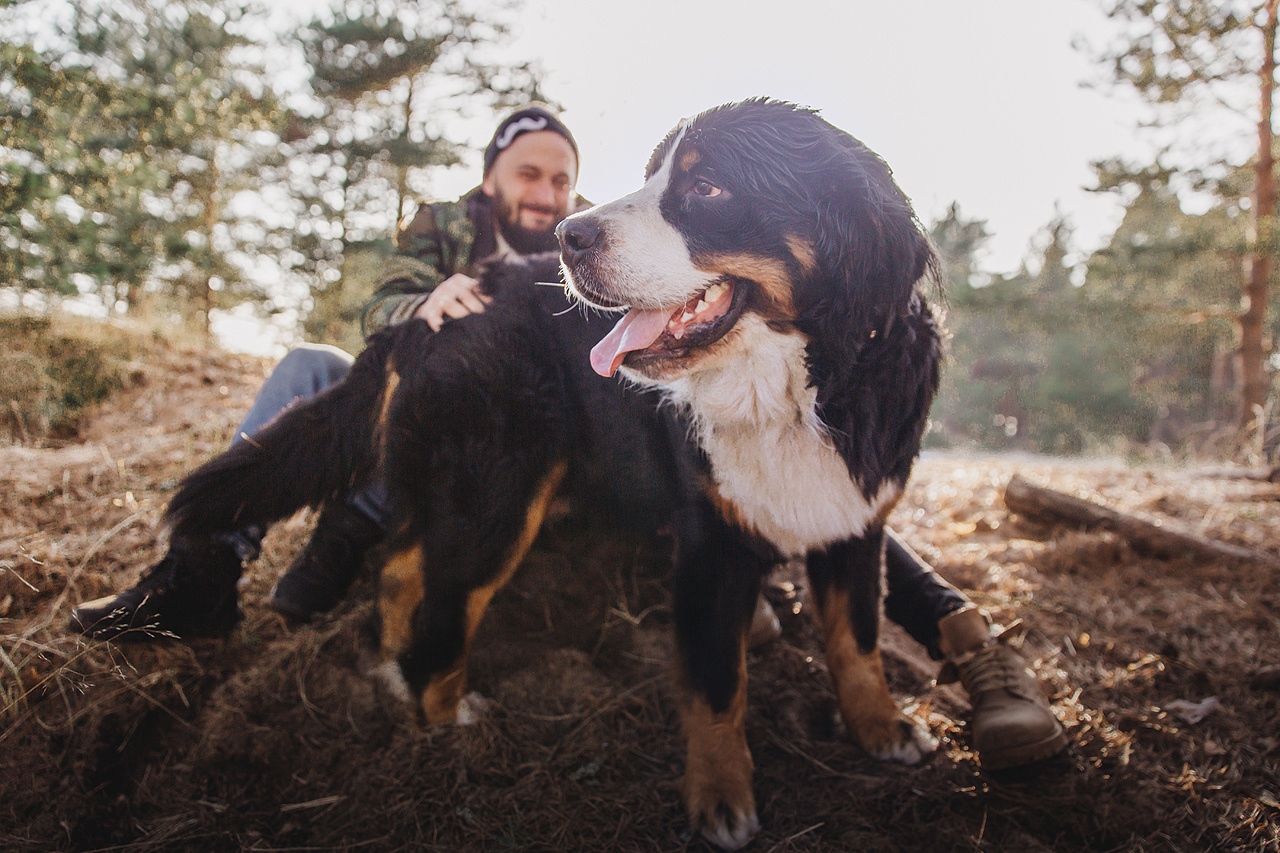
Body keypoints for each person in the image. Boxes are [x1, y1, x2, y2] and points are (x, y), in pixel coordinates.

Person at [69, 106, 1065, 770]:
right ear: (491, 178)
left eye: (564, 180)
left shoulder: (636, 259)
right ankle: (214, 562)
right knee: (314, 371)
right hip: (465, 401)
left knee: (828, 486)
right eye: (530, 176)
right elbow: (388, 308)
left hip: (643, 435)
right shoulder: (452, 242)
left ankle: (955, 637)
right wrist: (430, 302)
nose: (553, 200)